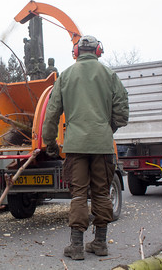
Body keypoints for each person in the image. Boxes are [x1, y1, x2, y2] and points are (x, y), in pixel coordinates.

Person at [42, 35, 128, 260]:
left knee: (79, 195)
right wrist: (107, 130)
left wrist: (50, 143)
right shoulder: (110, 75)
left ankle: (77, 247)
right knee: (101, 192)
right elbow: (122, 110)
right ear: (98, 51)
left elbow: (51, 114)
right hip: (102, 145)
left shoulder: (66, 76)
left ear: (76, 52)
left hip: (76, 145)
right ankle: (100, 243)